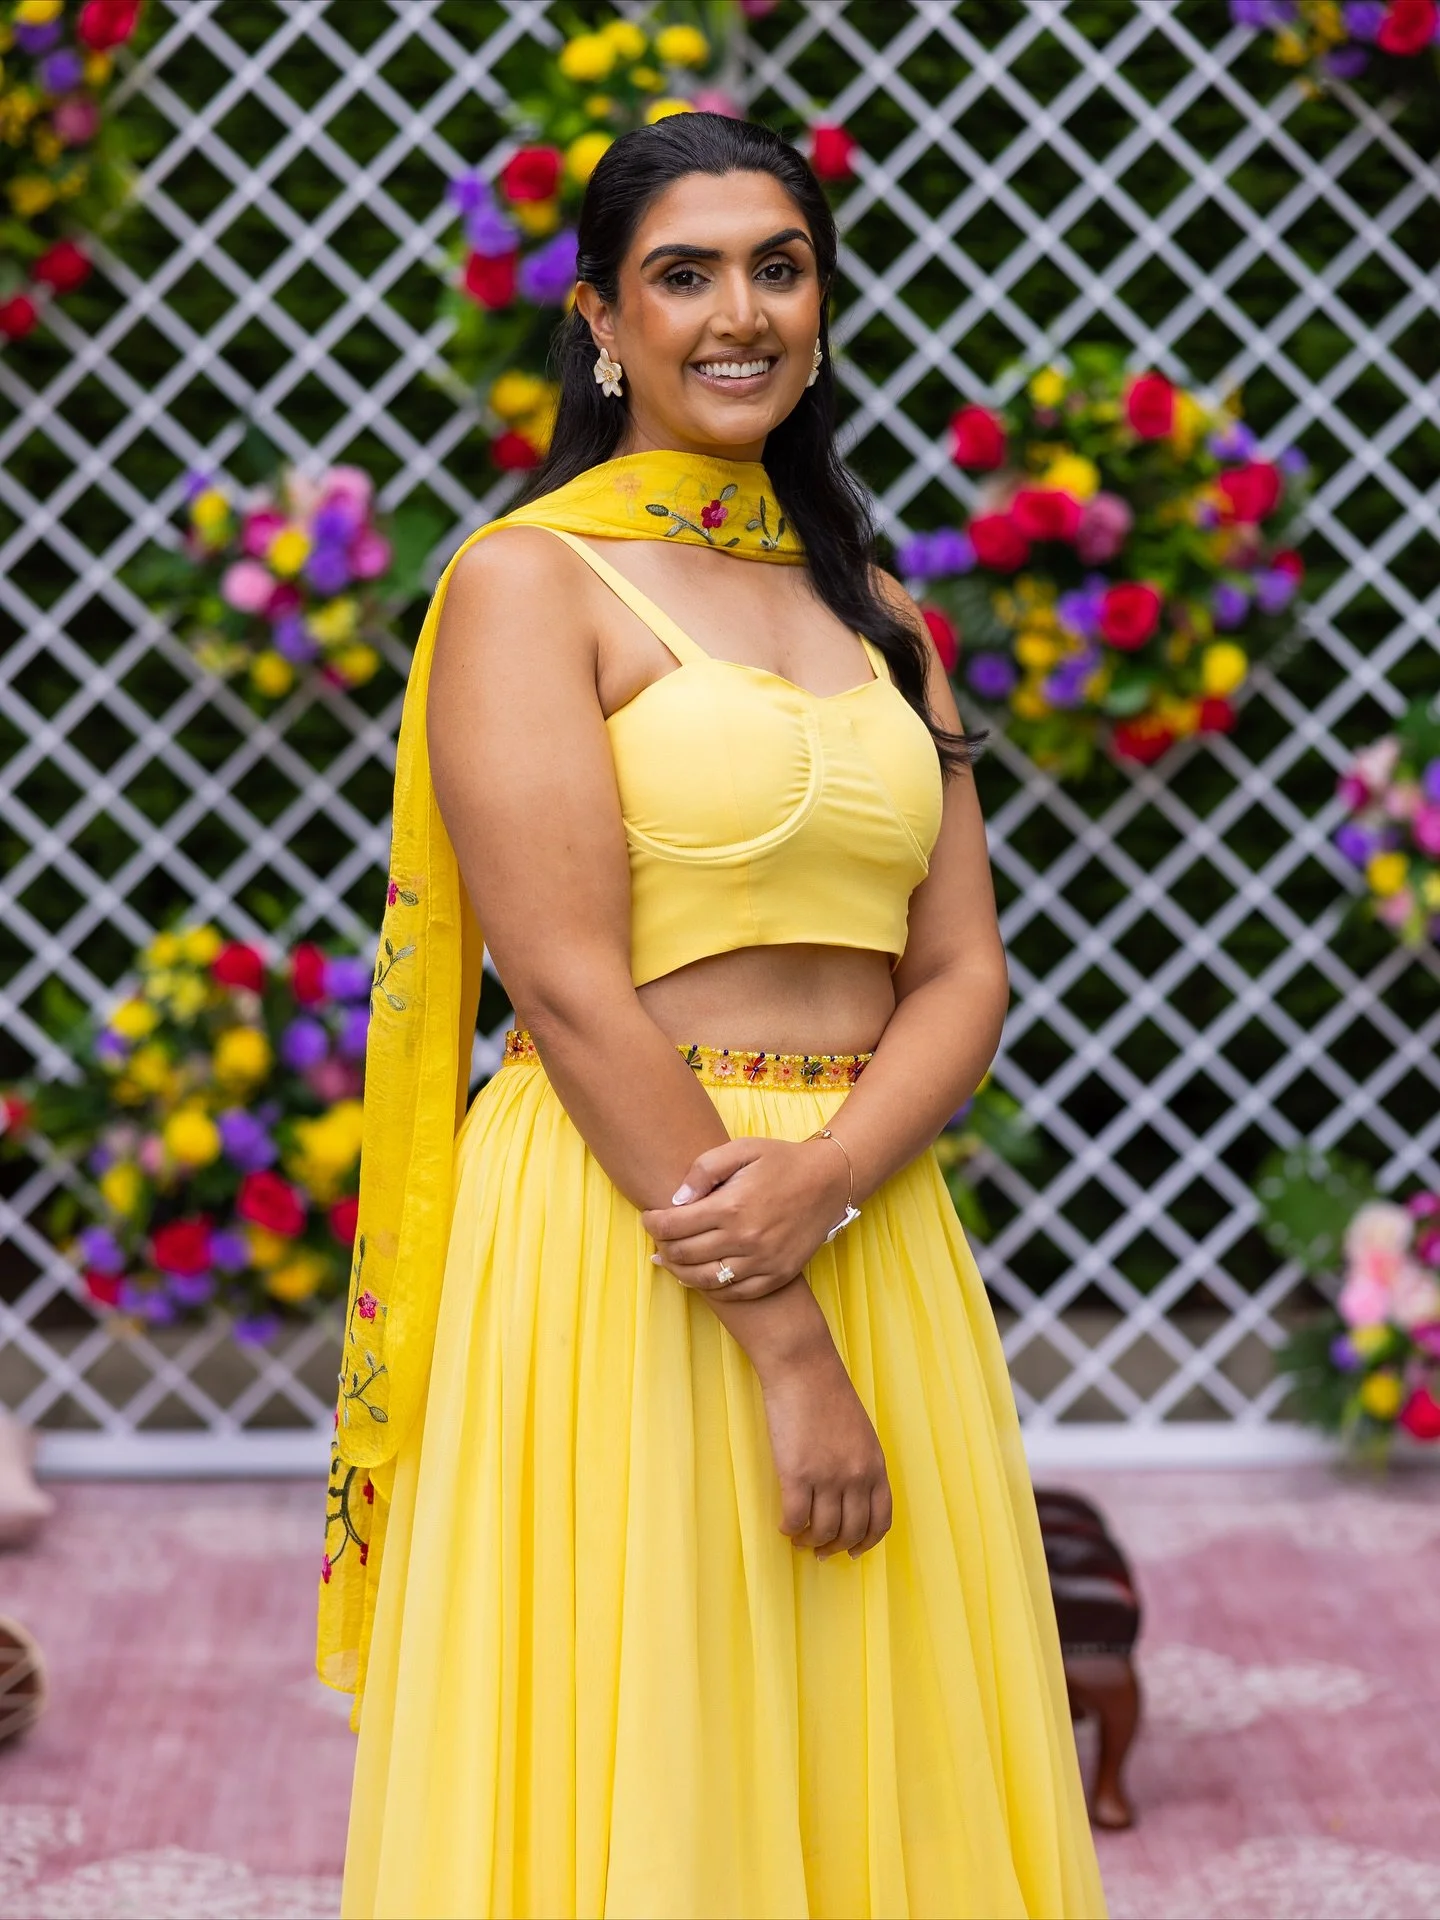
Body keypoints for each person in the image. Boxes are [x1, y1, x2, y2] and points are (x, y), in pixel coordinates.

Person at [321, 113, 1106, 1920]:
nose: (738, 312)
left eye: (779, 264)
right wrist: (788, 1346)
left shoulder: (886, 618)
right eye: (684, 274)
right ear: (602, 320)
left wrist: (828, 1170)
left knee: (872, 1745)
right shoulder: (532, 583)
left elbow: (962, 968)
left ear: (822, 302)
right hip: (637, 1231)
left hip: (867, 1209)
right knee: (654, 1736)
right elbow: (572, 984)